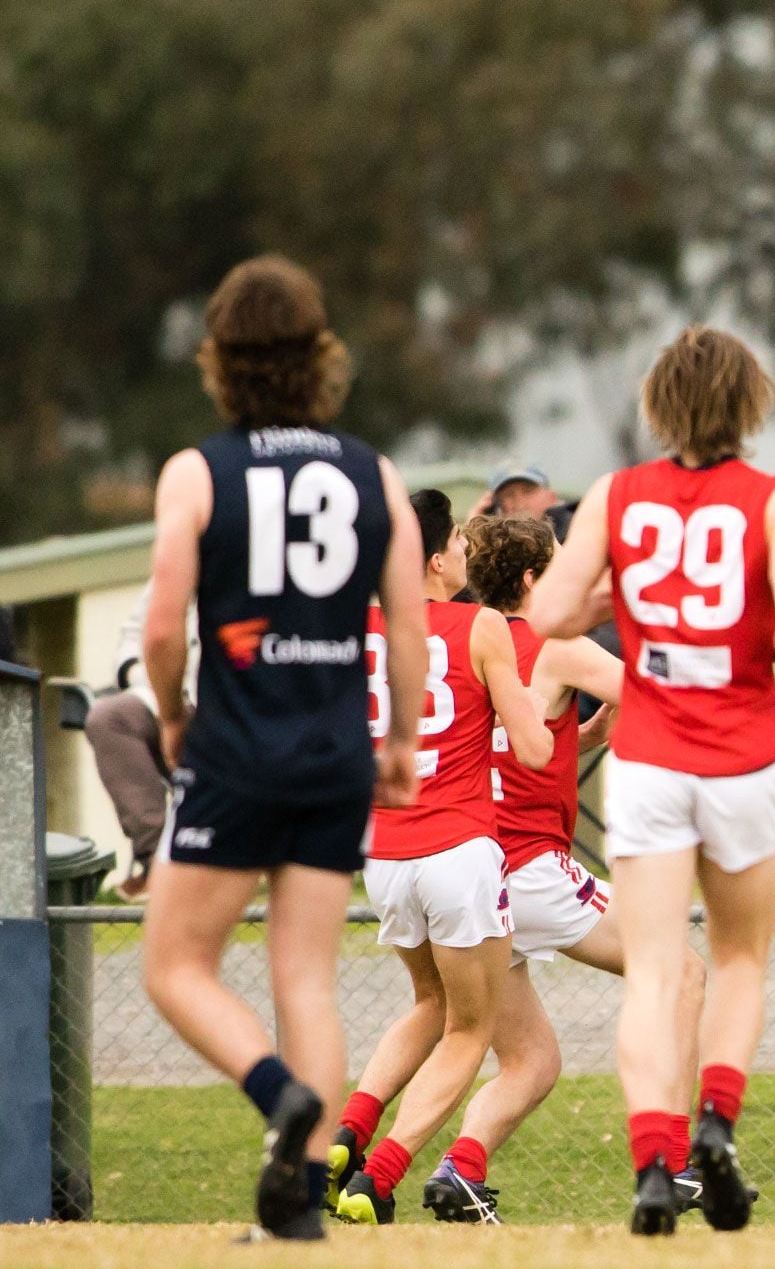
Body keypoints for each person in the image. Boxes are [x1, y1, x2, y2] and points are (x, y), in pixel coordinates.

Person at [137, 254, 423, 1241]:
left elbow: (164, 620)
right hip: (338, 753)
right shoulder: (372, 472)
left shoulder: (198, 471)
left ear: (219, 359)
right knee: (307, 978)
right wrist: (403, 737)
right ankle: (300, 1209)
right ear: (319, 358)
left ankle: (275, 1094)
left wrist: (172, 711)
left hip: (236, 751)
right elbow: (411, 617)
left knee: (175, 965)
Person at [527, 325, 775, 1235]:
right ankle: (717, 1125)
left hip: (650, 763)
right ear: (750, 402)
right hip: (741, 759)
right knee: (738, 959)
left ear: (659, 405)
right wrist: (766, 622)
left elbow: (545, 613)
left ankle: (652, 1161)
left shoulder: (617, 496)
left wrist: (614, 593)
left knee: (654, 970)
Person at [416, 512, 713, 1221]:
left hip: (477, 874)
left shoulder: (468, 645)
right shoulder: (552, 643)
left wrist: (578, 736)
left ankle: (461, 1170)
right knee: (682, 973)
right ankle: (673, 1163)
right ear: (530, 580)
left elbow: (507, 750)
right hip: (531, 869)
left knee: (531, 1061)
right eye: (559, 567)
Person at [331, 489, 556, 1225]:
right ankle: (378, 1180)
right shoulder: (482, 625)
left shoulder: (361, 627)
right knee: (471, 1027)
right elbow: (530, 748)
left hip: (385, 852)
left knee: (430, 1003)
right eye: (458, 538)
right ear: (434, 559)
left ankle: (348, 1134)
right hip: (459, 849)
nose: (467, 549)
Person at [87, 577, 196, 900]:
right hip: (162, 696)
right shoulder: (178, 563)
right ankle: (156, 861)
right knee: (109, 717)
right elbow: (135, 636)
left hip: (235, 707)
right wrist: (145, 678)